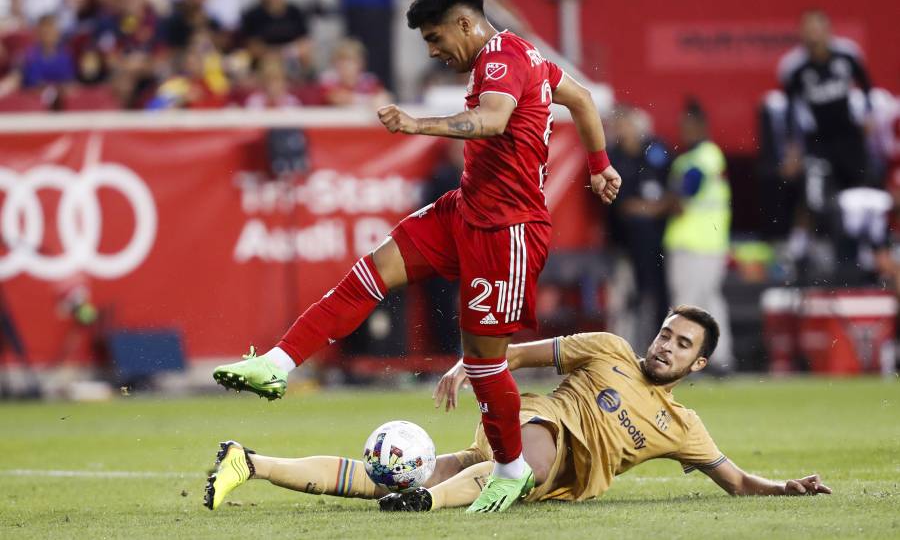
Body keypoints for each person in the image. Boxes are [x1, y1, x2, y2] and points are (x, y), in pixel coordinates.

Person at [211, 0, 621, 514]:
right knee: (369, 272)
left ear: (464, 22)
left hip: (507, 231)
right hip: (465, 210)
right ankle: (279, 363)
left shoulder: (501, 58)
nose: (432, 51)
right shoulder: (528, 59)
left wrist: (415, 124)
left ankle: (510, 469)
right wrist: (599, 166)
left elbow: (492, 121)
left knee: (482, 364)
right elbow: (585, 100)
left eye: (434, 38)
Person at [203, 305, 831, 512]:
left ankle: (249, 463)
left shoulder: (682, 426)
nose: (666, 345)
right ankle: (427, 505)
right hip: (532, 428)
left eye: (682, 344)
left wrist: (786, 489)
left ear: (697, 366)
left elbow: (738, 482)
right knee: (531, 450)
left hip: (534, 475)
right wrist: (463, 363)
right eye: (666, 333)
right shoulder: (608, 348)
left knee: (390, 474)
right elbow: (521, 352)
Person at [663, 100, 733, 372]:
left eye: (689, 125)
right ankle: (721, 359)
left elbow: (683, 196)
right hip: (704, 244)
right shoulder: (693, 158)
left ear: (702, 126)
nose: (685, 130)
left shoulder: (704, 156)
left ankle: (681, 362)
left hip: (696, 244)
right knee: (708, 302)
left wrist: (659, 203)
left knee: (688, 306)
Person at [779, 10, 874, 194]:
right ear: (801, 34)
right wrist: (792, 146)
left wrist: (868, 115)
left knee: (859, 191)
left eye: (817, 28)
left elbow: (867, 86)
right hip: (817, 140)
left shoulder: (847, 54)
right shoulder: (794, 67)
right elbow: (790, 109)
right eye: (808, 30)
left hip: (850, 135)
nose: (813, 35)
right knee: (818, 198)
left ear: (828, 30)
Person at [608, 105, 671, 352]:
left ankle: (656, 347)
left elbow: (669, 194)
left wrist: (651, 208)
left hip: (657, 241)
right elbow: (622, 205)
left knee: (655, 298)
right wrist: (649, 208)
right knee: (626, 300)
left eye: (624, 126)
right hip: (623, 243)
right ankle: (625, 350)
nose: (620, 131)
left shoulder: (655, 150)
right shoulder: (614, 156)